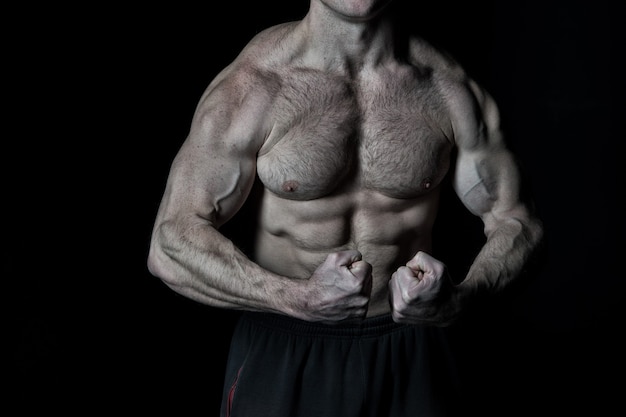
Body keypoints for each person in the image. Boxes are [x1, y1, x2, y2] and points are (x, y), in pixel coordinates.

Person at [147, 1, 543, 415]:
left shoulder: (447, 88)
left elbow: (519, 223)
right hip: (286, 342)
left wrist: (461, 299)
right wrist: (294, 297)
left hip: (412, 344)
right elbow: (170, 244)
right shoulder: (255, 87)